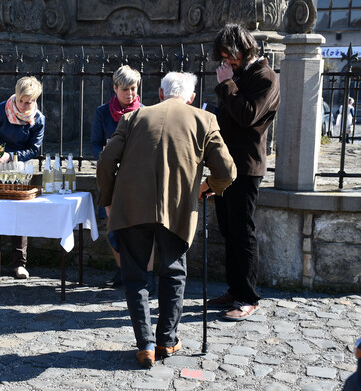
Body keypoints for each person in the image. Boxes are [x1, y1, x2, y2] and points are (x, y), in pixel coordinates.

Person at [97, 72, 236, 368]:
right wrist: (208, 187)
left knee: (135, 276)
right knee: (173, 272)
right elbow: (227, 170)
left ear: (160, 94)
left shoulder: (134, 117)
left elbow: (106, 161)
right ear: (192, 97)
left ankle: (145, 344)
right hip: (177, 209)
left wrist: (108, 199)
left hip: (132, 204)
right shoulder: (204, 119)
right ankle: (167, 340)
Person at [207, 23, 280, 321]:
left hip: (247, 166)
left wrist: (226, 85)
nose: (226, 62)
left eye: (229, 56)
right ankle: (235, 289)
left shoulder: (265, 77)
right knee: (228, 229)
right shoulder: (240, 75)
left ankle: (249, 297)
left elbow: (248, 115)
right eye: (223, 58)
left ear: (243, 48)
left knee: (243, 231)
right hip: (226, 165)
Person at [90, 65, 154, 290]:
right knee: (113, 225)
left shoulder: (146, 112)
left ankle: (147, 273)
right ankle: (121, 271)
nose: (130, 94)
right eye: (125, 89)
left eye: (134, 89)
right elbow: (94, 144)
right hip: (111, 176)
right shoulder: (102, 112)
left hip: (137, 178)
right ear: (114, 88)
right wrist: (108, 155)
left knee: (143, 226)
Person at [0, 76, 45, 279]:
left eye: (30, 102)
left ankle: (19, 264)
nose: (25, 106)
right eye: (22, 101)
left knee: (19, 214)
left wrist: (13, 156)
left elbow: (34, 148)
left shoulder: (38, 119)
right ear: (15, 96)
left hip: (20, 169)